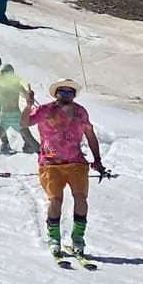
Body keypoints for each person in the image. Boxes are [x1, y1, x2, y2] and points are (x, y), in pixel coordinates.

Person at [21, 79, 106, 256]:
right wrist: (28, 105)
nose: (66, 95)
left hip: (76, 162)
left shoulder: (81, 112)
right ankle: (54, 238)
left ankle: (78, 238)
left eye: (70, 92)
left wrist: (97, 159)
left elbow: (90, 135)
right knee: (55, 200)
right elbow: (25, 123)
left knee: (80, 198)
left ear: (74, 95)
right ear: (56, 93)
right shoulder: (45, 110)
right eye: (63, 91)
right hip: (51, 164)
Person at [0, 64, 41, 168]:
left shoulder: (15, 86)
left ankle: (45, 160)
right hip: (4, 116)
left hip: (16, 116)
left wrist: (29, 93)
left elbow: (28, 97)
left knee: (28, 136)